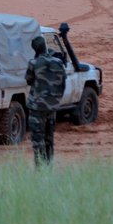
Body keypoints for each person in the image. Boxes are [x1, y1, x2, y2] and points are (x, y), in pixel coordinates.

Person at [25, 36, 66, 166]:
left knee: (38, 140)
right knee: (49, 138)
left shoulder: (34, 63)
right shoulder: (58, 62)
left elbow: (28, 80)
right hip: (52, 106)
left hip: (37, 107)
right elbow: (63, 83)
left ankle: (40, 168)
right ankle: (49, 165)